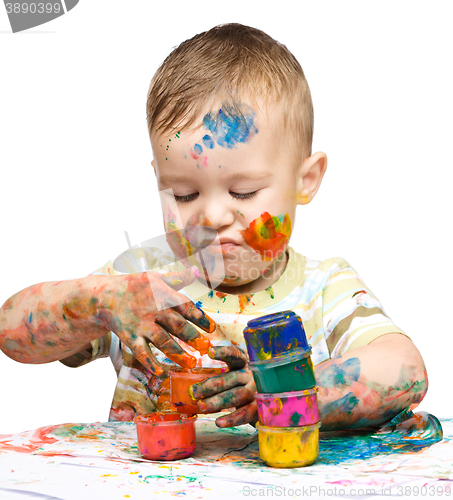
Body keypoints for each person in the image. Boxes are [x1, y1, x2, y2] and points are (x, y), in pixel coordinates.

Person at [0, 23, 427, 431]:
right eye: (184, 195)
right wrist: (97, 302)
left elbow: (404, 368)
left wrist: (288, 389)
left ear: (305, 180)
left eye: (243, 193)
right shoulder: (140, 289)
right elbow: (10, 332)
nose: (212, 217)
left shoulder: (323, 288)